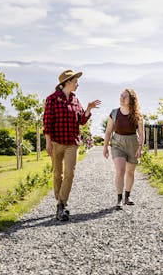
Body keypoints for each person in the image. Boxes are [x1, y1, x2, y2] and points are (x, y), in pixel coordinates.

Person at [43, 69, 101, 221]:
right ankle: (60, 203)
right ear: (67, 82)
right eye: (75, 82)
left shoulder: (75, 99)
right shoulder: (52, 99)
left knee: (70, 172)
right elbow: (47, 123)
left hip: (72, 143)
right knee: (57, 174)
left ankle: (61, 204)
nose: (77, 84)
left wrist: (88, 109)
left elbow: (81, 120)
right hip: (56, 142)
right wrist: (48, 143)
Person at [103, 88, 144, 210]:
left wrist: (140, 148)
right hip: (117, 144)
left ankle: (127, 196)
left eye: (125, 96)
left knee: (130, 172)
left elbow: (141, 134)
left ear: (131, 100)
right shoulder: (114, 113)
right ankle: (119, 199)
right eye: (121, 95)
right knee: (120, 171)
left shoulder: (138, 115)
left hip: (133, 144)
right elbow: (108, 131)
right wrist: (105, 147)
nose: (122, 98)